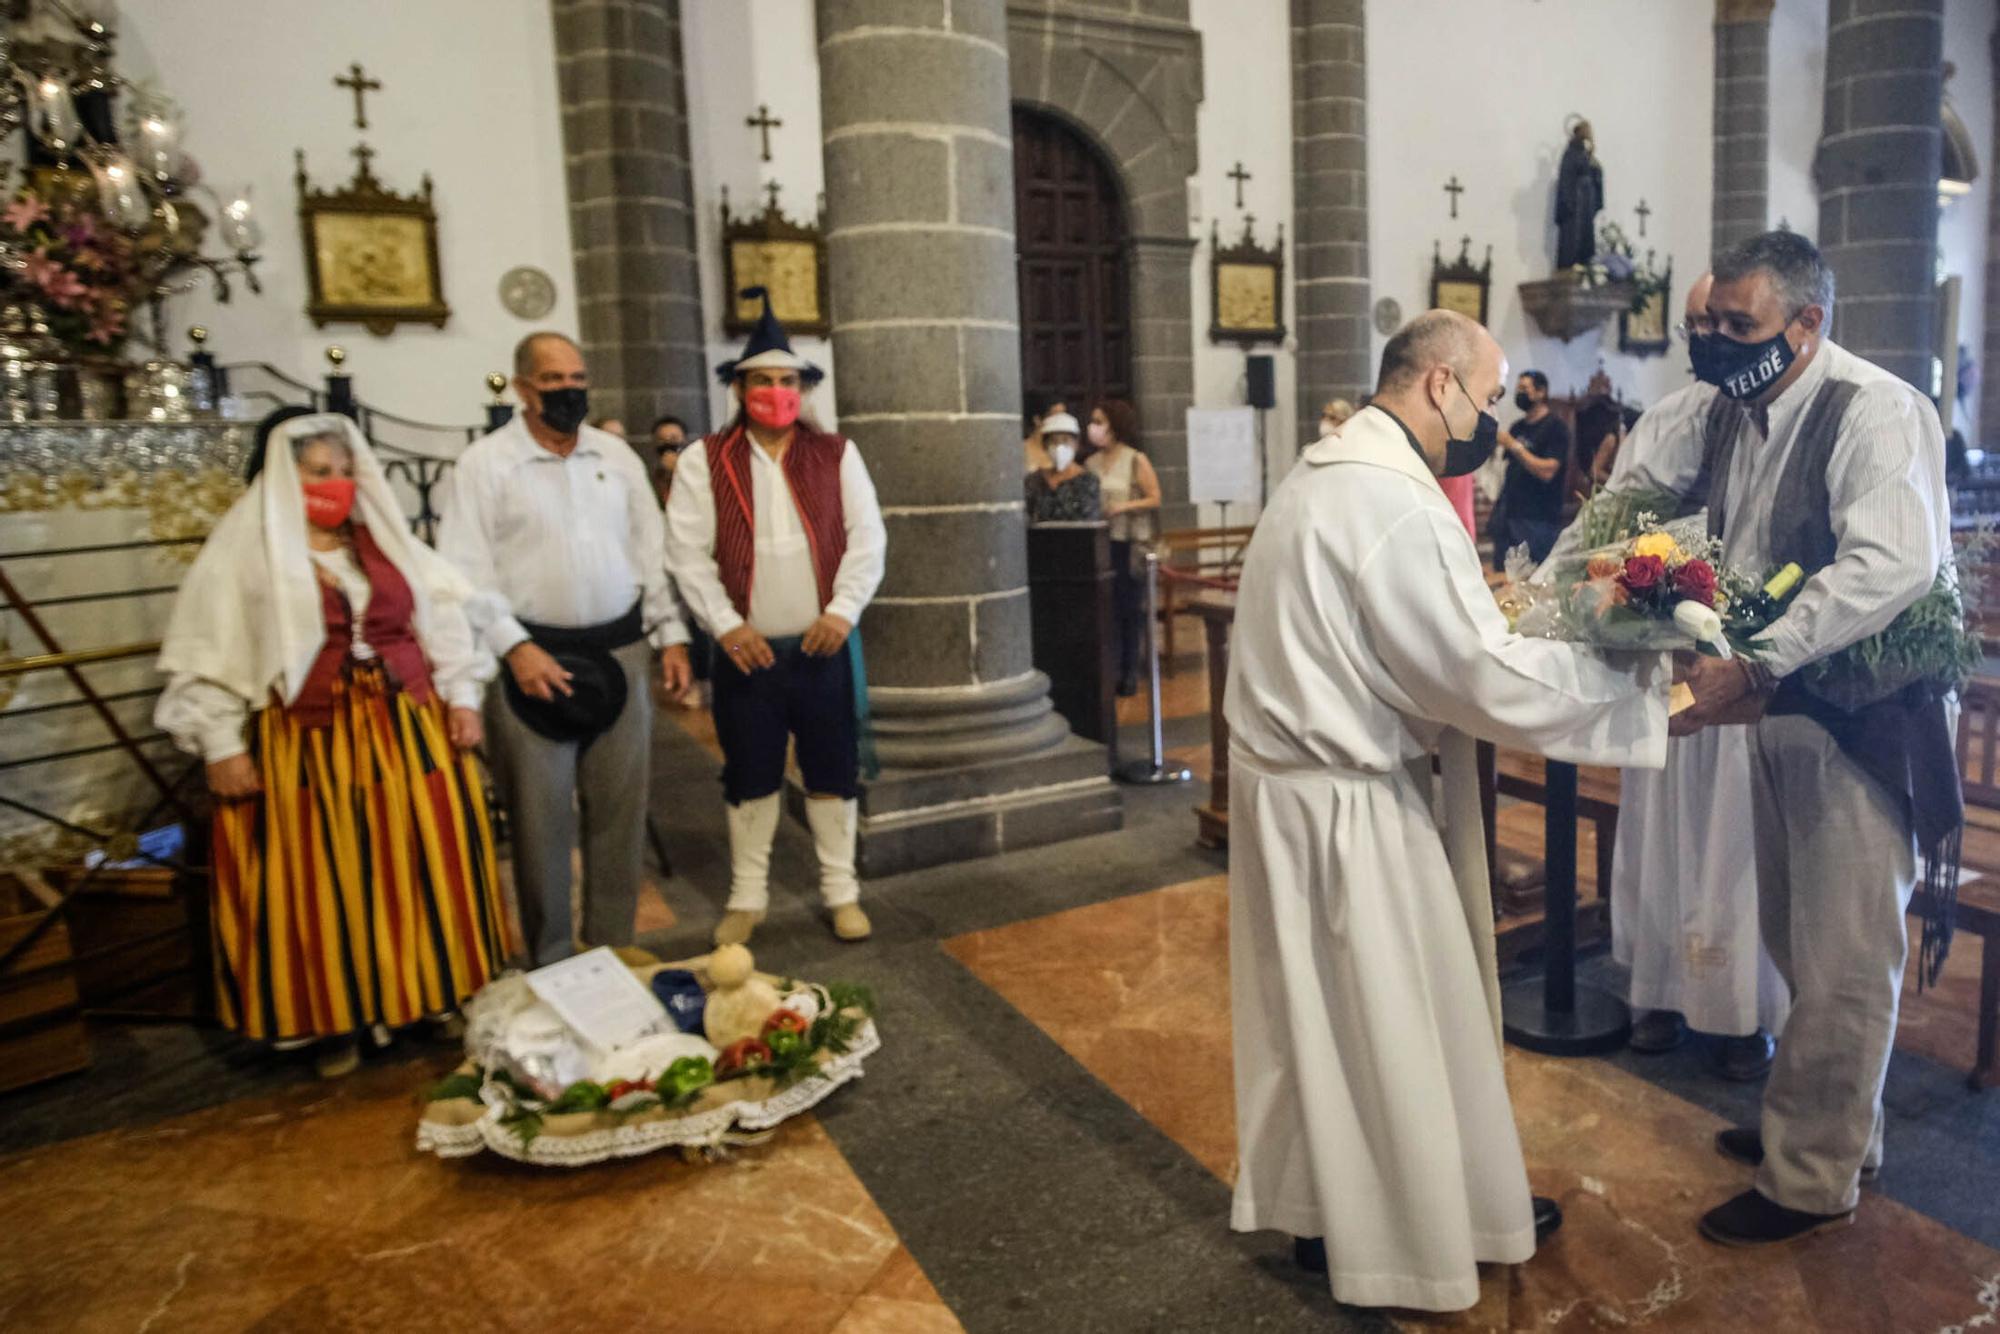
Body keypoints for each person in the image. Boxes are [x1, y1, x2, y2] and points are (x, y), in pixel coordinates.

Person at [1226, 309, 1669, 1313]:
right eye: (1489, 388)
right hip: (1344, 806)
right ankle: (1417, 1239)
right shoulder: (1391, 500)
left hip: (1291, 792)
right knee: (1394, 1019)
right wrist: (1633, 682)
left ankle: (1327, 1213)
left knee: (1323, 1022)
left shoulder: (1322, 474)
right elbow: (1473, 671)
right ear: (1436, 383)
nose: (1494, 413)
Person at [1651, 231, 1955, 1246]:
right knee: (1793, 933)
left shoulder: (1874, 409)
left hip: (1867, 719)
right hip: (1780, 706)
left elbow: (1887, 565)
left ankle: (1810, 1177)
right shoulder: (1746, 412)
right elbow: (1740, 550)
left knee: (1843, 955)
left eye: (1736, 325)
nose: (1715, 341)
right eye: (1706, 323)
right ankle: (1832, 1129)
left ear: (1805, 322)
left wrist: (1755, 657)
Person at [156, 410, 508, 1079]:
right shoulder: (248, 554)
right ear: (282, 477)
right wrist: (221, 743)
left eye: (346, 471)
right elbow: (212, 650)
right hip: (309, 737)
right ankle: (332, 1018)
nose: (338, 484)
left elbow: (444, 618)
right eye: (320, 472)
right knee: (326, 873)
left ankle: (427, 994)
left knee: (423, 860)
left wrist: (463, 698)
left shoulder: (384, 545)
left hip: (406, 725)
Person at [1543, 273, 1788, 1081]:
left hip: (1746, 672)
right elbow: (1612, 516)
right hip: (1667, 663)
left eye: (1718, 322)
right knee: (1661, 839)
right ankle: (1657, 992)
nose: (1704, 337)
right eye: (1693, 325)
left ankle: (1738, 1016)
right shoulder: (1672, 417)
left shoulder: (1787, 420)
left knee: (1734, 848)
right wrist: (1550, 592)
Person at [437, 332, 693, 968]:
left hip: (619, 652)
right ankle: (552, 959)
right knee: (540, 819)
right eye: (553, 381)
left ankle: (613, 944)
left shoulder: (616, 456)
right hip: (531, 661)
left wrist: (673, 634)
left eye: (578, 378)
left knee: (619, 810)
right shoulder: (486, 464)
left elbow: (650, 550)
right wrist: (513, 648)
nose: (569, 391)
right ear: (523, 389)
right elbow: (462, 572)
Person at [665, 287, 886, 948]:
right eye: (761, 381)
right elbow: (684, 551)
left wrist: (843, 612)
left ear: (803, 387)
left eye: (787, 381)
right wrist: (726, 625)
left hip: (822, 649)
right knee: (751, 775)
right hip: (746, 653)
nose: (775, 392)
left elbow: (867, 538)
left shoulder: (836, 454)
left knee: (831, 771)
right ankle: (748, 895)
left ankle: (841, 891)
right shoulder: (706, 459)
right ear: (738, 389)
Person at [1086, 398, 1161, 696]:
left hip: (1128, 542)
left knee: (1130, 607)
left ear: (1114, 425)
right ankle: (1111, 667)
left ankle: (1130, 669)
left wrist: (1124, 506)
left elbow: (1155, 497)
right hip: (1102, 541)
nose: (1094, 427)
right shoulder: (1090, 463)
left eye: (1099, 421)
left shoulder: (1135, 459)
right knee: (1108, 609)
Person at [1486, 369, 1571, 569]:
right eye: (1518, 388)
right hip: (1510, 515)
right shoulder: (1518, 427)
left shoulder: (1556, 427)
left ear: (1541, 392)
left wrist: (1515, 446)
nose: (1519, 393)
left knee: (1531, 580)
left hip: (1538, 519)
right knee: (1504, 578)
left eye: (1525, 388)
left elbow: (1548, 471)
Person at [1024, 411, 1101, 522]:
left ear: (1076, 444)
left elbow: (1089, 518)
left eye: (1065, 440)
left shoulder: (1088, 480)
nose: (1059, 447)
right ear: (1045, 446)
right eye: (1053, 441)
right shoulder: (1034, 480)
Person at [653, 414, 688, 507]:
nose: (668, 443)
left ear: (684, 440)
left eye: (674, 438)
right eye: (662, 440)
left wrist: (678, 469)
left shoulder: (695, 472)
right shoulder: (654, 478)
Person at [1022, 401, 1067, 474]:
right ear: (1037, 420)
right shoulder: (1019, 449)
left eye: (1063, 416)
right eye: (1055, 416)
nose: (1060, 421)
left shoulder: (1063, 450)